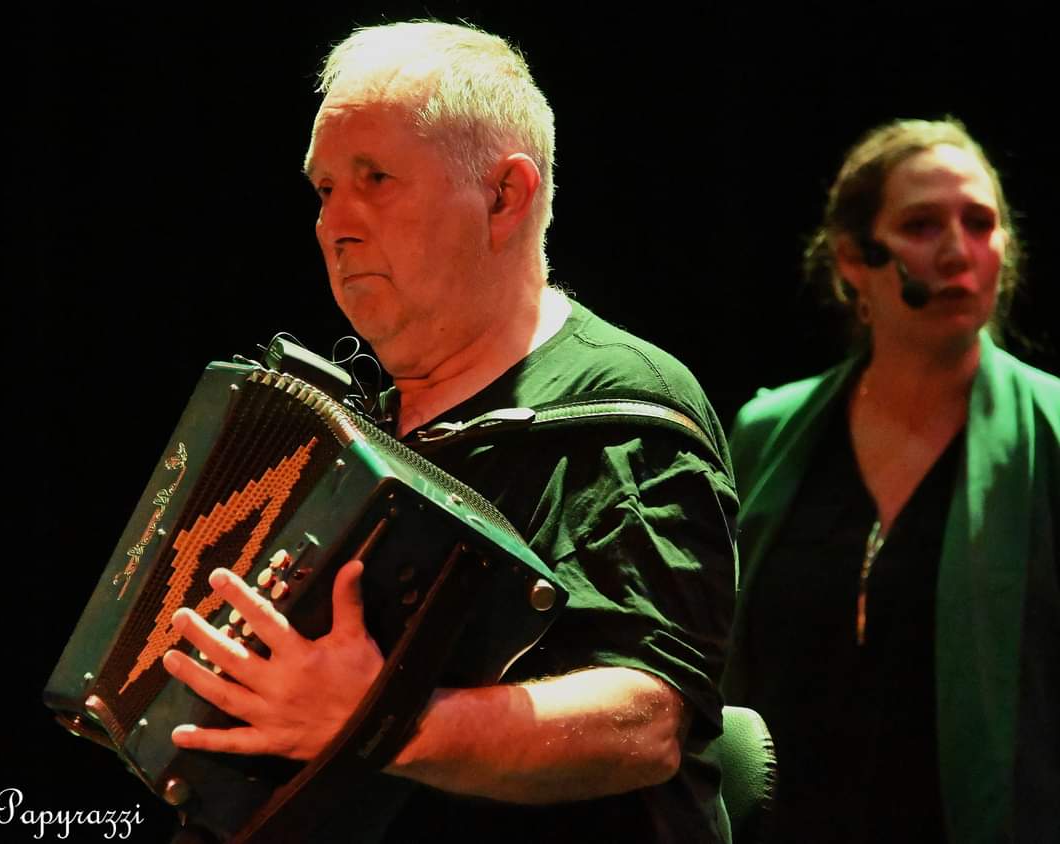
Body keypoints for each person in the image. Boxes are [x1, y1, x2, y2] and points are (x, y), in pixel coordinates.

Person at [161, 21, 738, 843]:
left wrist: (382, 726)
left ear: (505, 197)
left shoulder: (624, 409)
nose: (336, 223)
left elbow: (646, 721)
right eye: (324, 189)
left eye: (376, 178)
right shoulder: (349, 429)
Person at [723, 117, 1059, 843]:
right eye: (921, 225)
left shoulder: (1050, 433)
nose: (958, 251)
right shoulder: (770, 432)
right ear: (853, 257)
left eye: (980, 223)